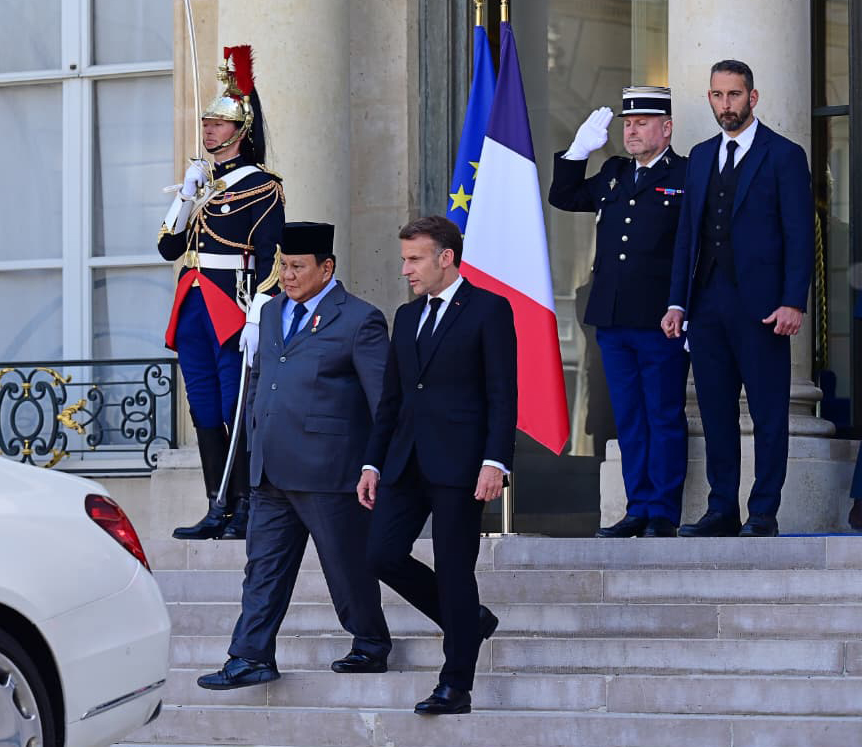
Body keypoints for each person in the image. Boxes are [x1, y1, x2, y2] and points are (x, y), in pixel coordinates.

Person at [196, 222, 391, 690]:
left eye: (298, 267)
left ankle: (370, 642)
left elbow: (383, 400)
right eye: (283, 265)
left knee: (345, 567)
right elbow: (262, 376)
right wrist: (251, 442)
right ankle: (251, 656)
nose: (287, 275)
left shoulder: (360, 318)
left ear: (327, 268)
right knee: (262, 569)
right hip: (270, 471)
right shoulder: (270, 313)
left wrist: (374, 463)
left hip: (330, 469)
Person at [358, 215, 516, 716]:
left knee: (454, 571)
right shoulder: (406, 318)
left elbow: (502, 394)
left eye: (414, 259)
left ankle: (456, 686)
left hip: (462, 466)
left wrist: (496, 461)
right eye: (404, 258)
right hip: (405, 463)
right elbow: (392, 400)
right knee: (380, 555)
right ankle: (470, 621)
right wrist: (372, 464)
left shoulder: (490, 309)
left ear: (445, 258)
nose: (405, 269)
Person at [662, 60, 813, 538]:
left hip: (764, 308)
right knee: (714, 411)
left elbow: (798, 234)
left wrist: (794, 300)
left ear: (753, 97)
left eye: (733, 95)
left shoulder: (784, 155)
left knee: (769, 413)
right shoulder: (701, 155)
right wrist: (677, 303)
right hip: (706, 305)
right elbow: (688, 235)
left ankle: (763, 512)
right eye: (717, 95)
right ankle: (721, 509)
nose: (725, 105)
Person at [549, 87, 689, 538]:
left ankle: (663, 511)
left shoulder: (685, 175)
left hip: (659, 319)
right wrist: (576, 151)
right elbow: (564, 196)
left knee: (662, 415)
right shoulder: (612, 173)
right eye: (627, 124)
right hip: (611, 318)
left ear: (666, 129)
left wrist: (682, 305)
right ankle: (637, 506)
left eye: (642, 123)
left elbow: (695, 250)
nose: (631, 130)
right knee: (627, 416)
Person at [158, 45, 285, 541]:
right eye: (207, 122)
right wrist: (188, 194)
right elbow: (170, 246)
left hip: (230, 305)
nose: (209, 129)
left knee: (237, 407)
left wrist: (258, 310)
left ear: (241, 130)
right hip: (192, 302)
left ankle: (250, 508)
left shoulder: (262, 187)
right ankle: (218, 505)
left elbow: (271, 255)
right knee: (204, 409)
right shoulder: (202, 184)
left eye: (219, 123)